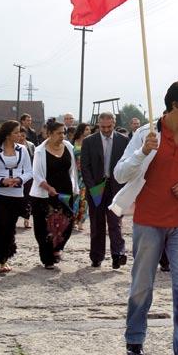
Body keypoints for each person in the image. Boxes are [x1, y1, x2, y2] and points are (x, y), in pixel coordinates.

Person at [110, 80, 178, 355]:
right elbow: (119, 173)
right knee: (142, 284)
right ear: (175, 106)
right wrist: (142, 152)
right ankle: (134, 336)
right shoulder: (146, 134)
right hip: (149, 221)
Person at [80, 112, 129, 269]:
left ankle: (117, 255)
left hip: (116, 187)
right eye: (103, 127)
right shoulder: (89, 141)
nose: (106, 130)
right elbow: (84, 166)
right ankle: (97, 256)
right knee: (97, 223)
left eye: (109, 127)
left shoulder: (123, 141)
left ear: (114, 124)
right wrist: (91, 186)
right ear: (98, 125)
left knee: (115, 222)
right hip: (96, 187)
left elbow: (127, 164)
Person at [29, 118, 79, 268]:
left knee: (67, 223)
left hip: (65, 191)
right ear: (49, 134)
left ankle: (58, 248)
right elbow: (36, 174)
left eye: (63, 133)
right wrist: (48, 188)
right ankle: (47, 258)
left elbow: (73, 170)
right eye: (58, 133)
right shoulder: (40, 151)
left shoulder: (68, 147)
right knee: (44, 227)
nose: (62, 136)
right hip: (44, 193)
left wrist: (75, 188)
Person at [0, 120, 33, 274]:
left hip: (17, 194)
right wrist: (1, 180)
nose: (20, 135)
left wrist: (19, 180)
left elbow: (29, 172)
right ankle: (0, 258)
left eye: (20, 132)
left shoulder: (23, 150)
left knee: (10, 227)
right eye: (16, 132)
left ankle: (6, 255)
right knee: (2, 225)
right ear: (7, 135)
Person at [70, 122, 92, 231]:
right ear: (82, 130)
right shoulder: (73, 143)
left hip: (85, 175)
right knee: (74, 198)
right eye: (87, 129)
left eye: (89, 130)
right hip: (74, 174)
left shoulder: (91, 143)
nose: (89, 131)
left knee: (84, 199)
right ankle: (73, 220)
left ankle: (81, 222)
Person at [17, 126, 36, 228]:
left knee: (28, 198)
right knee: (17, 197)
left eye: (23, 136)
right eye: (19, 135)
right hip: (16, 175)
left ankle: (27, 219)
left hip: (29, 175)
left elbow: (35, 160)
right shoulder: (12, 146)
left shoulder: (31, 146)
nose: (21, 138)